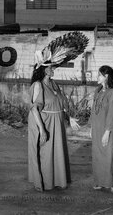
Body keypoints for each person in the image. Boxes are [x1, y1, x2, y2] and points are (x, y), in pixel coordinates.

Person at [27, 61, 79, 192]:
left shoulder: (54, 84)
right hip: (46, 122)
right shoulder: (38, 85)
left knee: (57, 152)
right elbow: (34, 109)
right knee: (46, 154)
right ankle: (45, 182)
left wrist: (69, 118)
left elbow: (61, 104)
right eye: (51, 67)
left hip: (58, 124)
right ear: (44, 70)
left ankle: (56, 180)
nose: (53, 69)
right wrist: (42, 130)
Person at [90, 65, 113, 196]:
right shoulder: (98, 91)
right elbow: (93, 111)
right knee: (97, 156)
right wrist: (92, 127)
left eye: (99, 75)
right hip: (97, 129)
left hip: (108, 130)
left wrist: (107, 132)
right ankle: (99, 181)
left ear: (106, 77)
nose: (97, 77)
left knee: (109, 156)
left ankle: (112, 185)